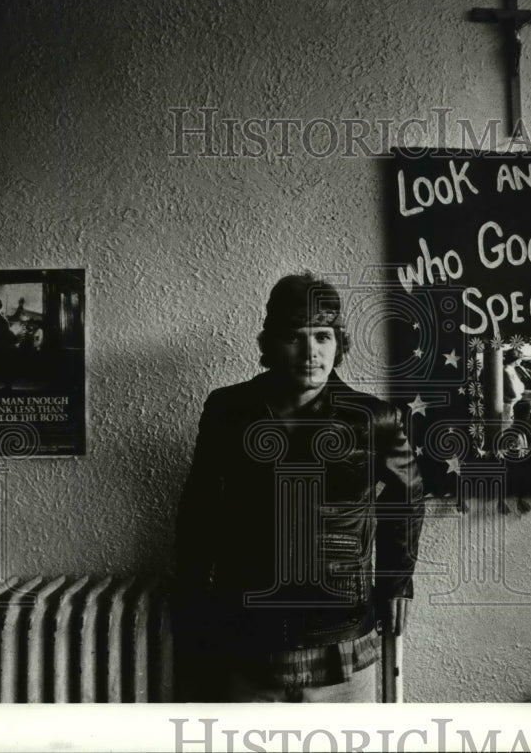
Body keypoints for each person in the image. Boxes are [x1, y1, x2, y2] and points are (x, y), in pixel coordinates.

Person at [173, 272, 424, 702]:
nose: (312, 353)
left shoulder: (374, 418)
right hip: (246, 624)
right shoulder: (228, 410)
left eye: (324, 337)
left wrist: (397, 583)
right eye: (295, 336)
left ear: (339, 343)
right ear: (270, 344)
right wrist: (195, 598)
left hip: (341, 626)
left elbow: (408, 498)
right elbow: (200, 508)